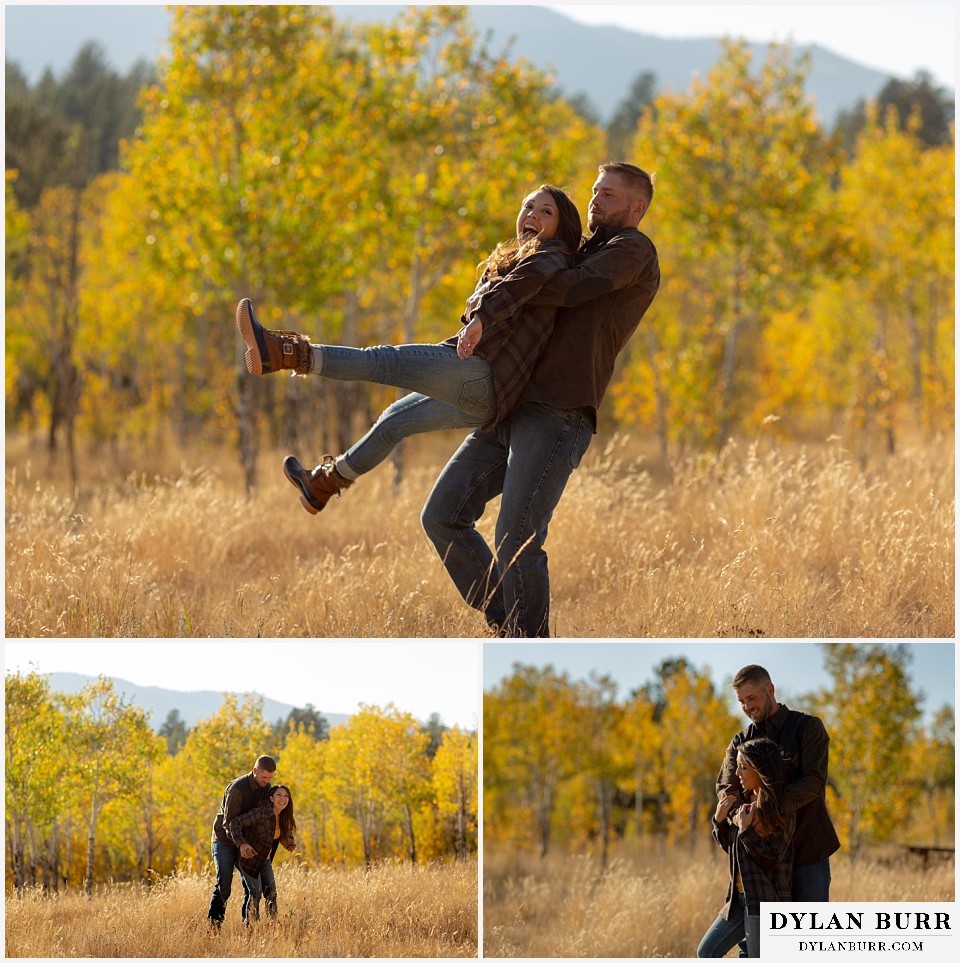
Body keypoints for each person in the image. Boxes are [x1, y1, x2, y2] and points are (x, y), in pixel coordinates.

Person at [235, 184, 582, 514]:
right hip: (487, 398)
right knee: (393, 421)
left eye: (545, 211)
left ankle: (286, 352)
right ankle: (325, 484)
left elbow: (519, 288)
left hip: (484, 374)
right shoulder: (519, 259)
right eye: (528, 206)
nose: (532, 214)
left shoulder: (552, 256)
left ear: (560, 226)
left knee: (381, 361)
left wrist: (481, 317)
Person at [420, 161, 660, 636]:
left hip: (558, 412)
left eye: (608, 194)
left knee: (516, 539)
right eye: (594, 190)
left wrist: (513, 276)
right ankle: (511, 626)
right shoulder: (579, 249)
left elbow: (571, 290)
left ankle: (526, 641)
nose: (595, 199)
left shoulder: (633, 250)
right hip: (510, 404)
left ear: (637, 207)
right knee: (443, 514)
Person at [717, 664, 840, 902]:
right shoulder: (740, 741)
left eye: (752, 698)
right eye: (741, 701)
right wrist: (745, 820)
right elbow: (726, 789)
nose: (747, 707)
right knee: (760, 936)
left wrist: (765, 811)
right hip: (760, 856)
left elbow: (813, 782)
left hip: (808, 851)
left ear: (770, 689)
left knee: (808, 934)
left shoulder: (807, 728)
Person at [698, 737, 795, 959]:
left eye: (744, 768)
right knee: (706, 952)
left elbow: (771, 859)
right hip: (738, 900)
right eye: (738, 767)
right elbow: (731, 849)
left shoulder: (779, 810)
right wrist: (720, 821)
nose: (738, 774)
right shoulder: (741, 803)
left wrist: (746, 831)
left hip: (763, 902)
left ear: (761, 770)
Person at [207, 755, 276, 929]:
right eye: (263, 777)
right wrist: (242, 844)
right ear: (255, 771)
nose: (266, 781)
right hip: (224, 841)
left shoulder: (266, 789)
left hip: (246, 841)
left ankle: (249, 926)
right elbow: (228, 823)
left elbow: (269, 813)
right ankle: (214, 926)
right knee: (224, 885)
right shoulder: (237, 789)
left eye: (270, 778)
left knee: (252, 888)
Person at [227, 784, 297, 923]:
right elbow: (235, 823)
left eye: (286, 796)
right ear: (271, 798)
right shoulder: (261, 813)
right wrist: (242, 844)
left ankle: (273, 925)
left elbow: (281, 834)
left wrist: (289, 842)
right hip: (249, 858)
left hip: (265, 860)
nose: (283, 799)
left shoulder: (283, 817)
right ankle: (252, 927)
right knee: (255, 893)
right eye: (279, 795)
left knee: (271, 893)